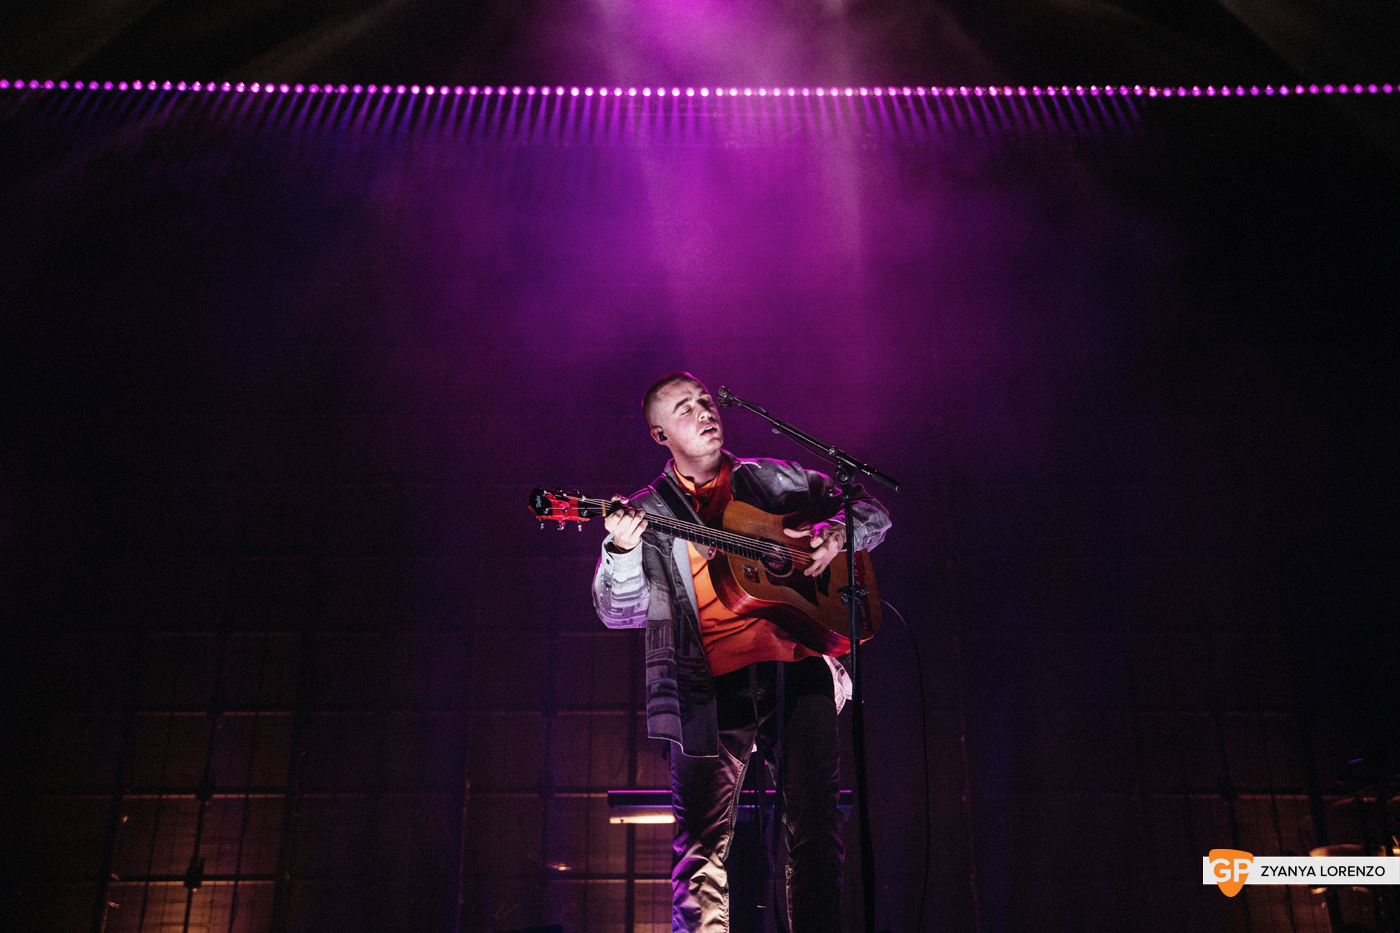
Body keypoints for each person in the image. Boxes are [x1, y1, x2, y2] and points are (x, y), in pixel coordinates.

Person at [592, 372, 891, 933]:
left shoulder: (773, 480)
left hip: (797, 669)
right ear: (660, 435)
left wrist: (836, 532)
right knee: (700, 848)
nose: (704, 411)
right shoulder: (646, 512)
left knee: (817, 829)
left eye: (705, 400)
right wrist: (622, 550)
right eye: (684, 408)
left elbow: (870, 510)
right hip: (704, 688)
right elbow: (617, 611)